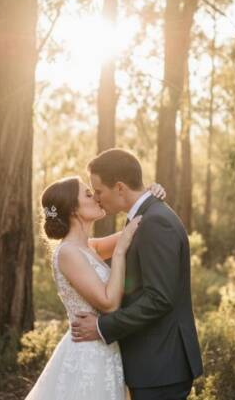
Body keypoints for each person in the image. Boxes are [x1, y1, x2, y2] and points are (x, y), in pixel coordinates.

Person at [72, 148, 203, 400]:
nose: (97, 199)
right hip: (153, 364)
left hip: (161, 365)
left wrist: (101, 327)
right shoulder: (143, 218)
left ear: (120, 187)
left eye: (99, 191)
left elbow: (159, 298)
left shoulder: (155, 222)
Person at [24, 173, 166, 400]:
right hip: (87, 355)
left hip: (105, 349)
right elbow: (109, 304)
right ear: (73, 209)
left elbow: (138, 226)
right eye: (89, 194)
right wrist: (119, 253)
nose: (96, 198)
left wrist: (148, 196)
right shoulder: (68, 252)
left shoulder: (89, 247)